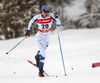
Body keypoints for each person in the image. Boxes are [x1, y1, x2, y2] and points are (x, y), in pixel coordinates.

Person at [25, 3, 61, 77]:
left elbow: (59, 23)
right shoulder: (37, 17)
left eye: (48, 11)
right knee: (43, 52)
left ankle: (37, 56)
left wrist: (56, 17)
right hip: (39, 37)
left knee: (44, 50)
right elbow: (31, 22)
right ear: (42, 11)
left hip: (47, 36)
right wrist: (28, 30)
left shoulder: (51, 16)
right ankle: (40, 71)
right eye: (45, 11)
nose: (47, 13)